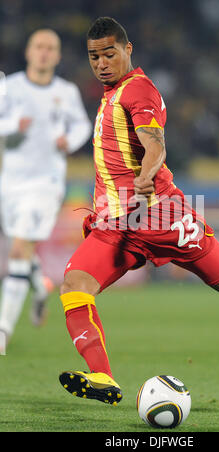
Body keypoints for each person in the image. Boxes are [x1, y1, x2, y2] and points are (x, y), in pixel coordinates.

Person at [58, 17, 219, 406]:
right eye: (94, 56)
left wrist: (147, 174)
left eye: (110, 54)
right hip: (120, 225)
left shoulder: (138, 90)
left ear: (128, 50)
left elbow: (155, 143)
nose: (101, 63)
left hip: (162, 217)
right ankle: (102, 376)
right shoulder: (111, 94)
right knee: (75, 285)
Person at [0, 29, 92, 346]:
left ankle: (2, 332)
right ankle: (40, 286)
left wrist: (72, 140)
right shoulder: (8, 87)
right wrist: (13, 126)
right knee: (20, 248)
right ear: (28, 51)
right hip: (10, 181)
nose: (43, 52)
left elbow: (83, 124)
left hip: (46, 183)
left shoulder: (65, 92)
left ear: (57, 56)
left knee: (17, 250)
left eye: (50, 48)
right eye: (38, 46)